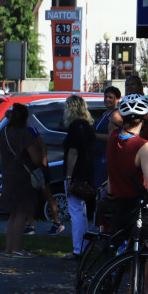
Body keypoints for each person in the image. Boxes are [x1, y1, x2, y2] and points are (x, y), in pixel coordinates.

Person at [106, 94, 148, 294]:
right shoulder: (143, 146)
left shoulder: (113, 139)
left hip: (119, 209)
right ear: (146, 117)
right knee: (141, 277)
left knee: (129, 268)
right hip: (140, 211)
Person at [0, 103, 41, 257]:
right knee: (21, 214)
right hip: (22, 177)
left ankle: (9, 249)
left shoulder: (4, 132)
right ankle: (16, 249)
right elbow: (35, 158)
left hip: (8, 175)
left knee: (13, 215)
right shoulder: (24, 133)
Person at [62, 94, 95, 260]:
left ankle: (78, 249)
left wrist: (68, 176)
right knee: (81, 211)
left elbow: (72, 152)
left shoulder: (75, 126)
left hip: (76, 174)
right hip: (87, 171)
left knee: (75, 211)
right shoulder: (87, 126)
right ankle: (84, 246)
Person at [22, 117, 65, 237]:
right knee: (29, 196)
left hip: (39, 168)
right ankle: (30, 225)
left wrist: (44, 165)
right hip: (29, 169)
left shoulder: (31, 130)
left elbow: (42, 146)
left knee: (47, 193)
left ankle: (57, 221)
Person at [92, 86, 121, 188]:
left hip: (105, 158)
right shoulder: (106, 114)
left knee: (102, 187)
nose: (107, 99)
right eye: (106, 97)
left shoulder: (115, 115)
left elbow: (111, 137)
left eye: (110, 97)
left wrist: (93, 135)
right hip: (98, 158)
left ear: (117, 99)